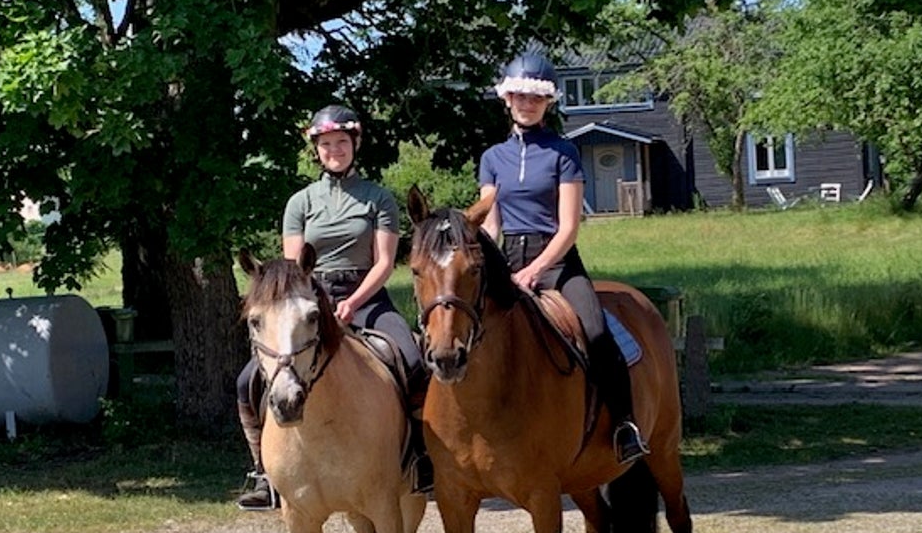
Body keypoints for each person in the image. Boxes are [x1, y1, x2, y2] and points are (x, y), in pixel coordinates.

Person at [236, 104, 433, 509]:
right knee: (247, 380)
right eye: (326, 144)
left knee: (412, 359)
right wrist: (323, 305)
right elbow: (293, 269)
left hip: (368, 295)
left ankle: (423, 459)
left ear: (354, 144)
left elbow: (384, 262)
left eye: (342, 142)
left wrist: (354, 301)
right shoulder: (300, 203)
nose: (335, 150)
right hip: (311, 298)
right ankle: (262, 471)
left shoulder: (378, 198)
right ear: (317, 151)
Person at [477, 53, 650, 463]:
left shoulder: (564, 152)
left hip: (557, 263)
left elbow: (569, 225)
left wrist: (536, 270)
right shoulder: (492, 158)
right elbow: (490, 225)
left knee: (595, 332)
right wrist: (491, 268)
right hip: (508, 261)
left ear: (548, 103)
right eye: (520, 96)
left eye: (536, 98)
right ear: (507, 99)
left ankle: (625, 425)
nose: (527, 104)